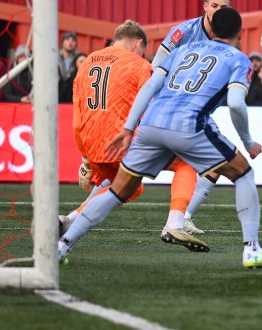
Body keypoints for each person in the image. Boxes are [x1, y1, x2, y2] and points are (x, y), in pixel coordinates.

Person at [58, 9, 262, 268]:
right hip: (188, 126)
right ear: (239, 34)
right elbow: (235, 104)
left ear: (211, 29)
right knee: (243, 173)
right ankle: (251, 249)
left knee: (118, 190)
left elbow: (150, 87)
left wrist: (129, 128)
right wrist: (247, 142)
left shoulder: (180, 50)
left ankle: (62, 246)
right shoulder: (238, 59)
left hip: (151, 125)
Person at [58, 20, 206, 252]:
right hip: (121, 142)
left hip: (93, 146)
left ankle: (67, 222)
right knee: (186, 163)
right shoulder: (138, 64)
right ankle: (174, 223)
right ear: (138, 44)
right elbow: (155, 105)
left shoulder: (86, 62)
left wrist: (85, 159)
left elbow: (76, 119)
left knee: (126, 185)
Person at [151, 0, 235, 234]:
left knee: (217, 164)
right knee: (128, 173)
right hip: (170, 107)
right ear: (205, 7)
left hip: (197, 113)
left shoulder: (227, 40)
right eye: (215, 6)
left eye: (224, 8)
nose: (219, 11)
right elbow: (156, 66)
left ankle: (183, 218)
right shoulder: (182, 32)